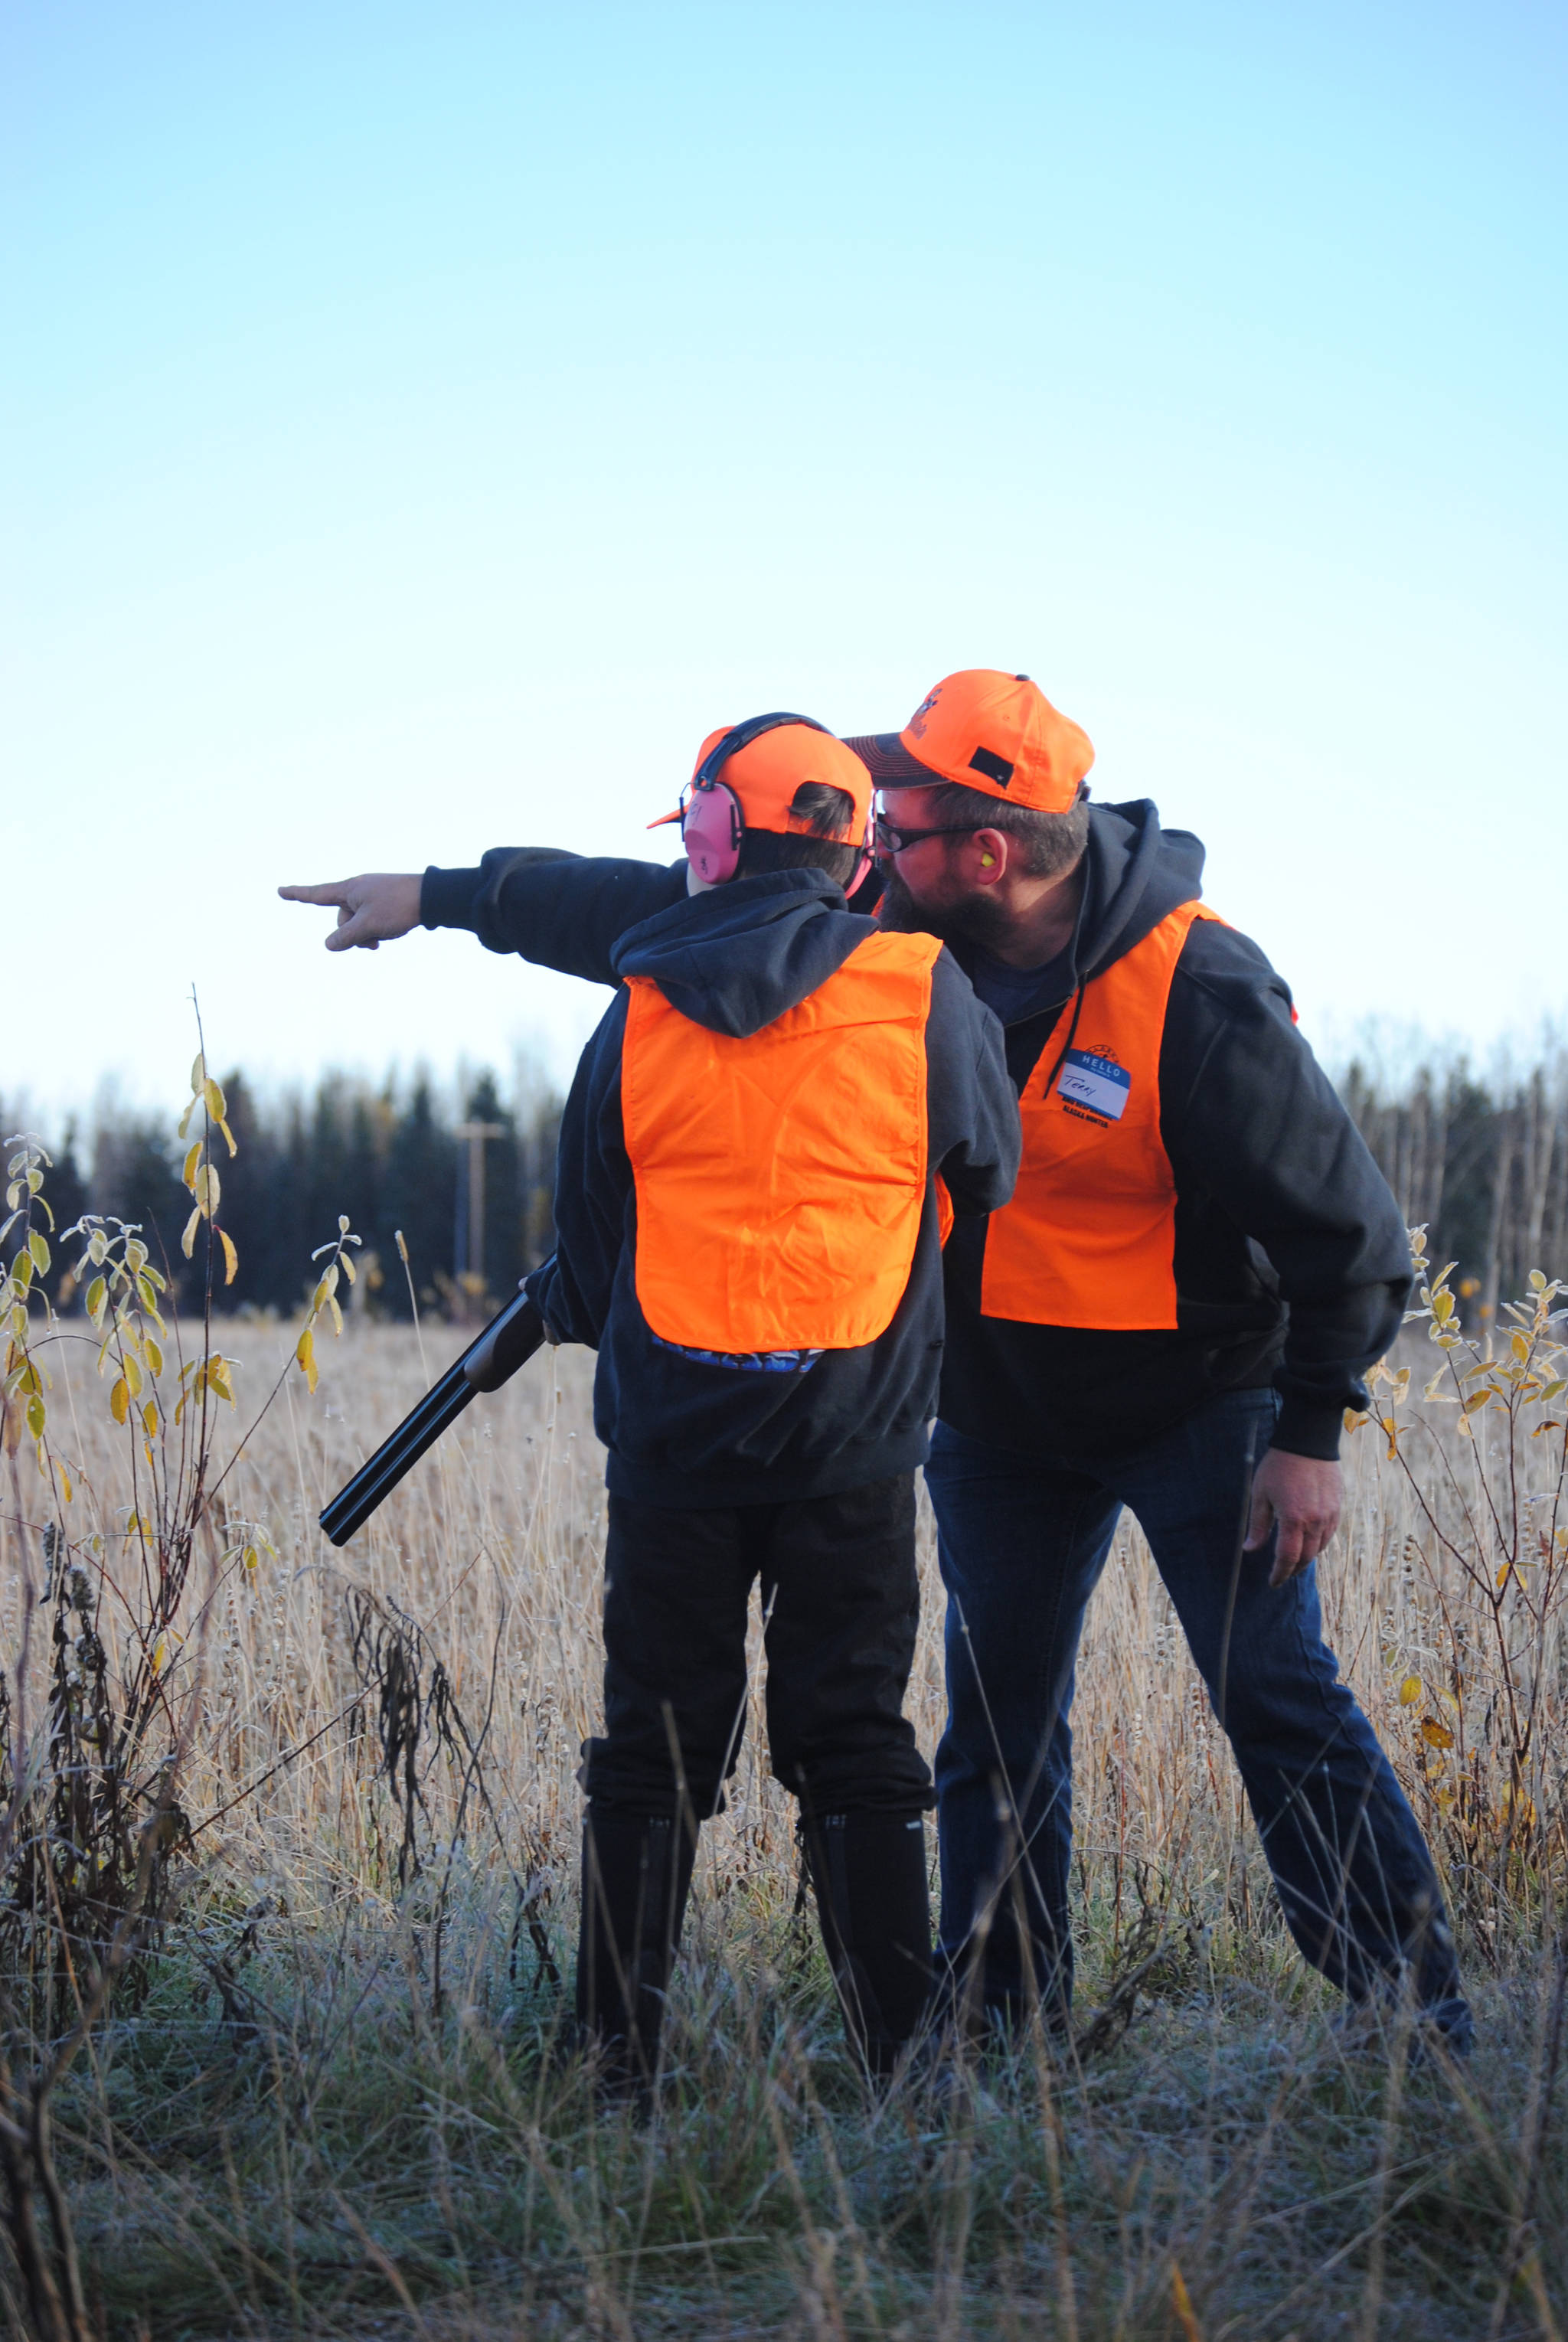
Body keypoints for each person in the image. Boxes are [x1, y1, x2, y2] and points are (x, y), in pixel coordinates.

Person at [282, 667, 1472, 2058]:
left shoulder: (1193, 985)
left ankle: (1415, 2027)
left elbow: (1352, 1233)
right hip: (996, 1414)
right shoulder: (891, 918)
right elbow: (653, 917)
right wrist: (441, 893)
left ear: (989, 851)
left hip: (1199, 1400)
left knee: (1272, 1698)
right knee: (996, 1725)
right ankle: (1002, 2029)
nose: (869, 846)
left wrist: (1311, 1431)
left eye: (898, 821)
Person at [284, 715, 1020, 2081]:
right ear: (858, 854)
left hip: (676, 1445)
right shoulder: (927, 992)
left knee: (654, 1753)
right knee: (857, 1745)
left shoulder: (642, 1005)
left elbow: (594, 1241)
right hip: (855, 1445)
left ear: (715, 841)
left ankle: (614, 2058)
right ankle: (902, 2068)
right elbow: (986, 1171)